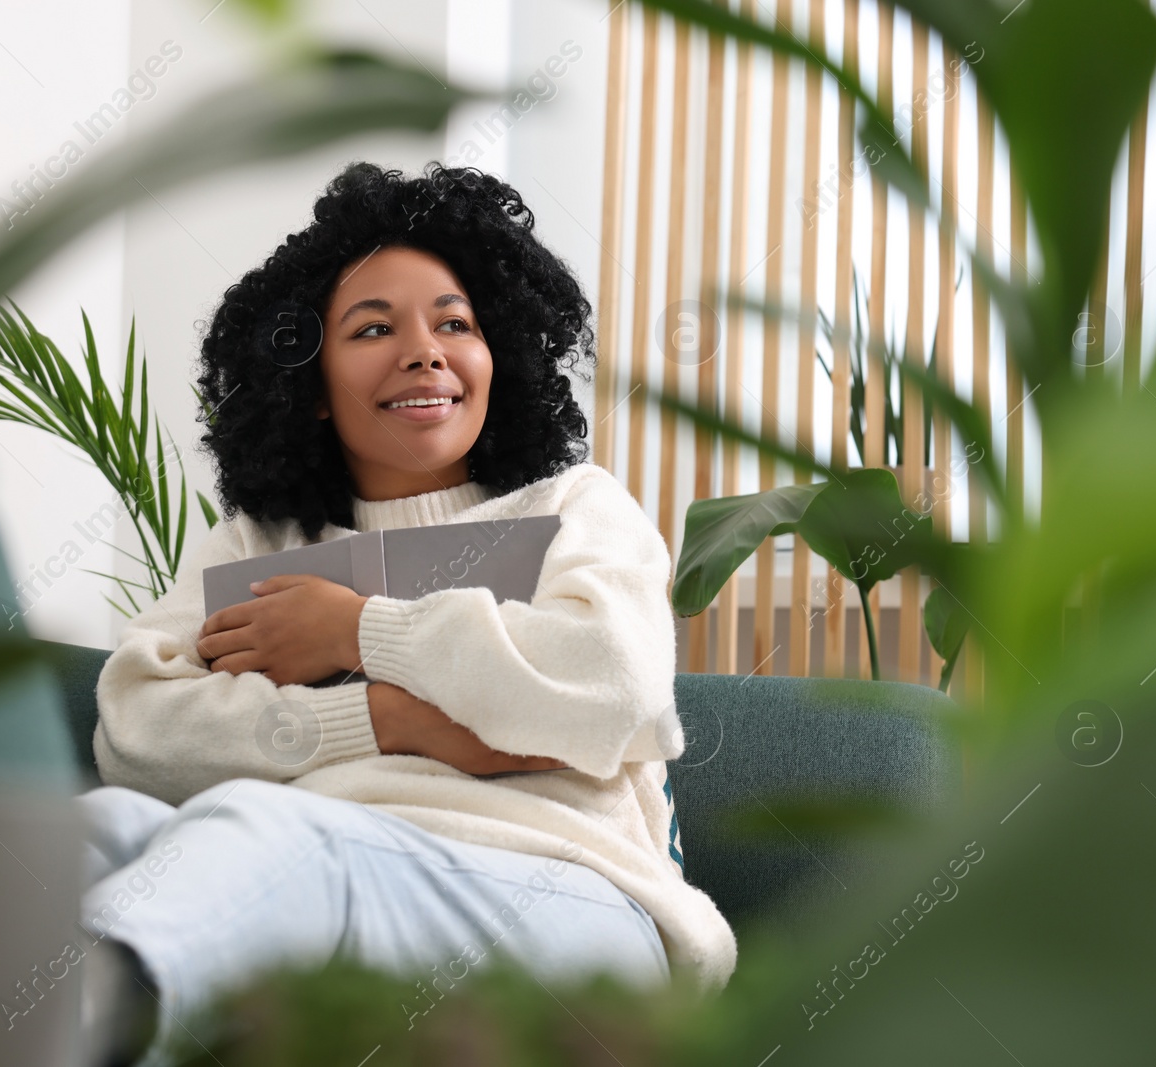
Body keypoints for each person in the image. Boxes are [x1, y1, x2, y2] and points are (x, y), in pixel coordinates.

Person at [75, 161, 738, 1067]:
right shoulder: (256, 544)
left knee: (274, 841)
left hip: (571, 890)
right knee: (99, 827)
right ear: (311, 381)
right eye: (374, 327)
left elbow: (609, 684)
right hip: (313, 860)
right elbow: (139, 728)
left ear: (496, 353)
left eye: (455, 323)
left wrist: (356, 632)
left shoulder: (576, 505)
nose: (423, 349)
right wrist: (390, 719)